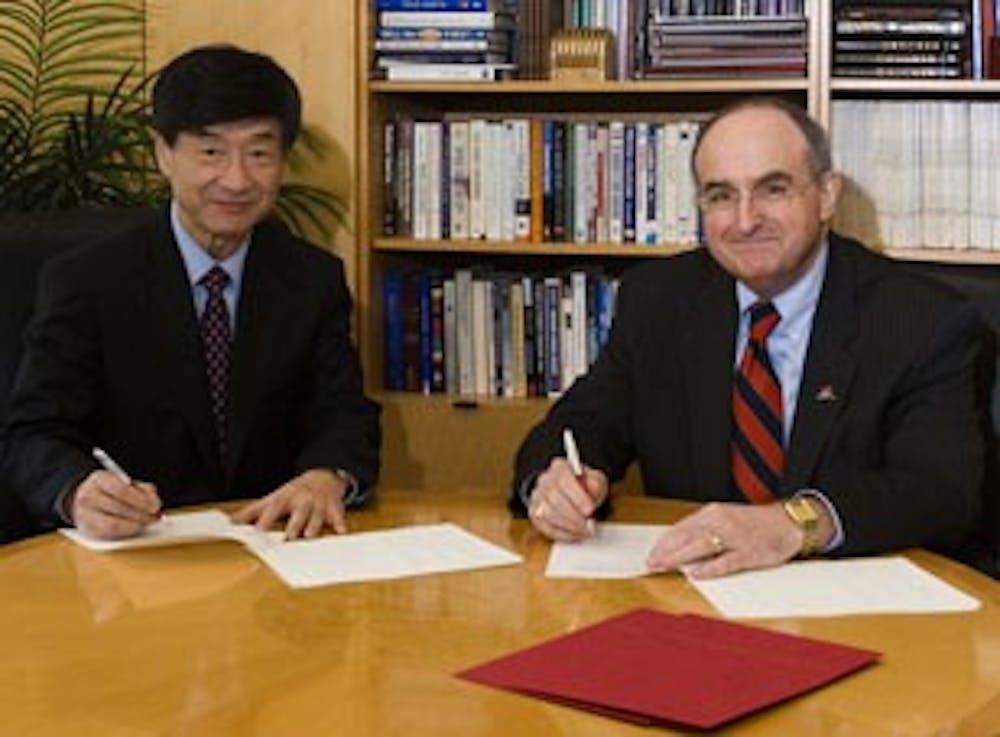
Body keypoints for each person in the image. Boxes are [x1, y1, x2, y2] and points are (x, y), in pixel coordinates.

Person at [511, 97, 994, 578]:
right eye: (721, 196)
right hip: (695, 599)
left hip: (863, 601)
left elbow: (941, 490)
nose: (745, 221)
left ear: (827, 195)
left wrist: (794, 524)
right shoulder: (659, 300)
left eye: (773, 189)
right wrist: (551, 483)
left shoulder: (921, 319)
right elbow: (581, 425)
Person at [1, 45, 381, 541]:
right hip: (133, 559)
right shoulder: (88, 280)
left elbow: (344, 414)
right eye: (211, 152)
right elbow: (34, 433)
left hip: (268, 552)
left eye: (260, 153)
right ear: (163, 153)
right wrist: (77, 490)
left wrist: (328, 474)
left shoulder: (311, 279)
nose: (237, 179)